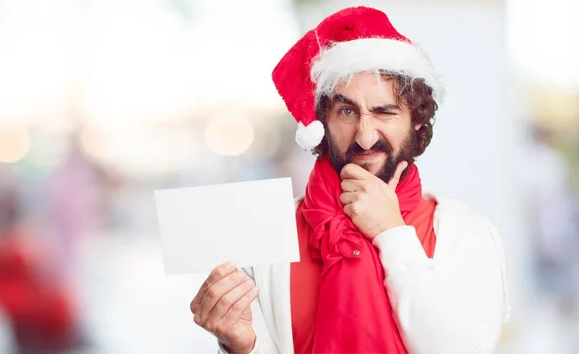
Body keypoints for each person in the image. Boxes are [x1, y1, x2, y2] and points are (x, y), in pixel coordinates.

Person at [189, 6, 510, 354]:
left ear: (417, 122)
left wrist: (391, 233)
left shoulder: (467, 234)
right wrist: (240, 346)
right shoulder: (269, 234)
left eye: (385, 111)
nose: (365, 136)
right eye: (346, 111)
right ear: (322, 122)